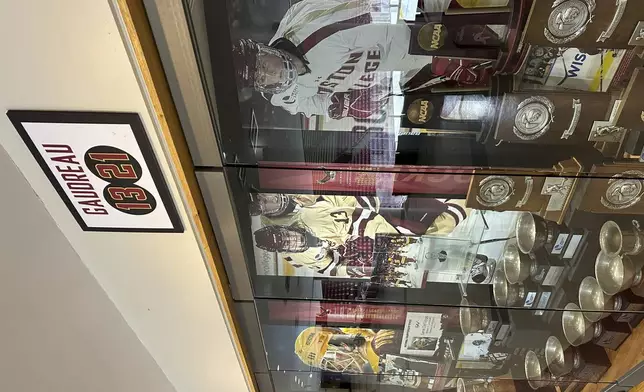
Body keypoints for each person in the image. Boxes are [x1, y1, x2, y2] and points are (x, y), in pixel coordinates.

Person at [232, 0, 491, 119]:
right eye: (260, 79)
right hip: (402, 59)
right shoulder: (278, 95)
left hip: (419, 17)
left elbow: (389, 17)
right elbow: (308, 104)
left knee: (492, 33)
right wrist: (337, 105)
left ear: (264, 49)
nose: (269, 76)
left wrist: (442, 59)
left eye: (263, 66)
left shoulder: (319, 34)